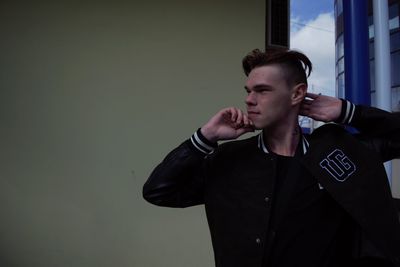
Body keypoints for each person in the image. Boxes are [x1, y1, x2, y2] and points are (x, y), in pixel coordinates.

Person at [143, 48, 400, 267]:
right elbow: (158, 191)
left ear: (297, 94)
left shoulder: (340, 151)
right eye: (248, 90)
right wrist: (206, 137)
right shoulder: (229, 160)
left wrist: (349, 112)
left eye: (262, 90)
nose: (249, 100)